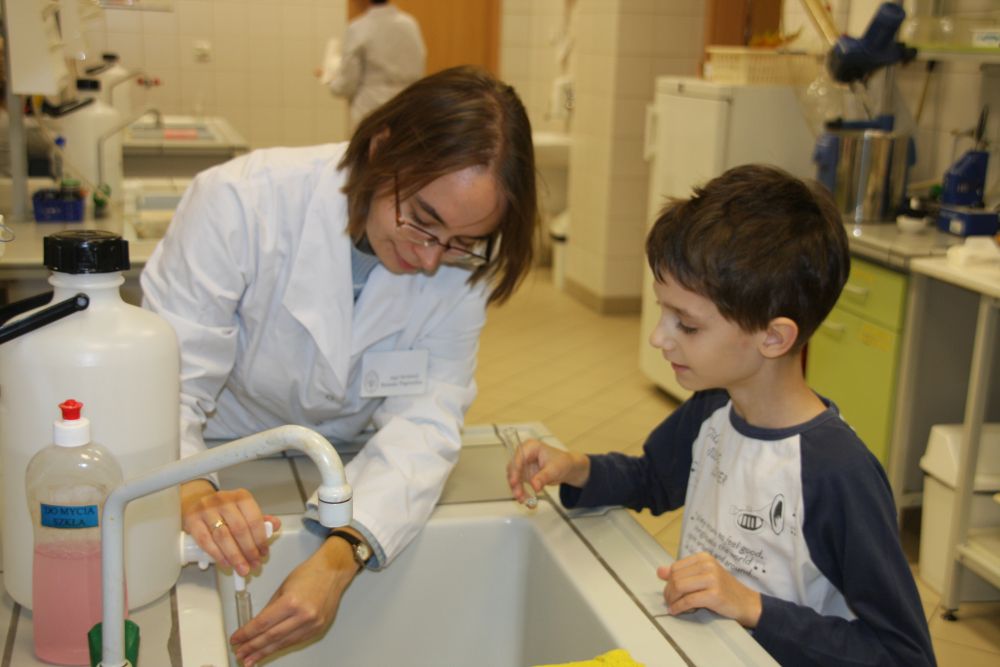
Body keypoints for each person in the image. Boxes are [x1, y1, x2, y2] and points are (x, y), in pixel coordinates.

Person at [141, 65, 537, 666]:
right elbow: (168, 383)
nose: (431, 259)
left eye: (461, 241)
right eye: (422, 219)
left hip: (351, 470)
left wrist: (341, 553)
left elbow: (424, 421)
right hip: (215, 452)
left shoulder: (461, 267)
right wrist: (193, 490)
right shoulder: (241, 202)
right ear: (381, 150)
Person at [507, 165, 936, 666]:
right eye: (663, 312)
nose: (659, 338)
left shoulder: (837, 472)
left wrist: (753, 608)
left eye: (686, 325)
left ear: (773, 337)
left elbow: (904, 655)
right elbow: (654, 478)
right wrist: (578, 468)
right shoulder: (715, 407)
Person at [321, 0, 426, 128]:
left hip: (370, 111)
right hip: (405, 108)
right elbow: (418, 66)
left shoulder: (359, 28)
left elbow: (347, 84)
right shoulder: (410, 25)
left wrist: (330, 78)